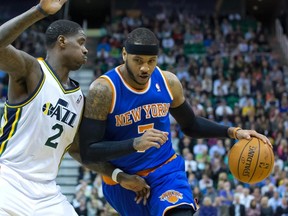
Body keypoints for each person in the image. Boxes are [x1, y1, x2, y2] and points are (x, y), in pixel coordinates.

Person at [79, 27, 271, 216]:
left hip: (166, 172)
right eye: (138, 61)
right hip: (124, 180)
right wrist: (130, 155)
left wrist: (234, 132)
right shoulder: (104, 90)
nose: (145, 68)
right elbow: (88, 152)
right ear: (124, 54)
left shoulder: (168, 82)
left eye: (151, 61)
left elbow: (191, 125)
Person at [0, 0, 87, 215]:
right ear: (62, 41)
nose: (86, 49)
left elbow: (76, 149)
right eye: (81, 42)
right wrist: (39, 11)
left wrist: (117, 175)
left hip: (48, 194)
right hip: (8, 180)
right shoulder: (32, 70)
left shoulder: (79, 99)